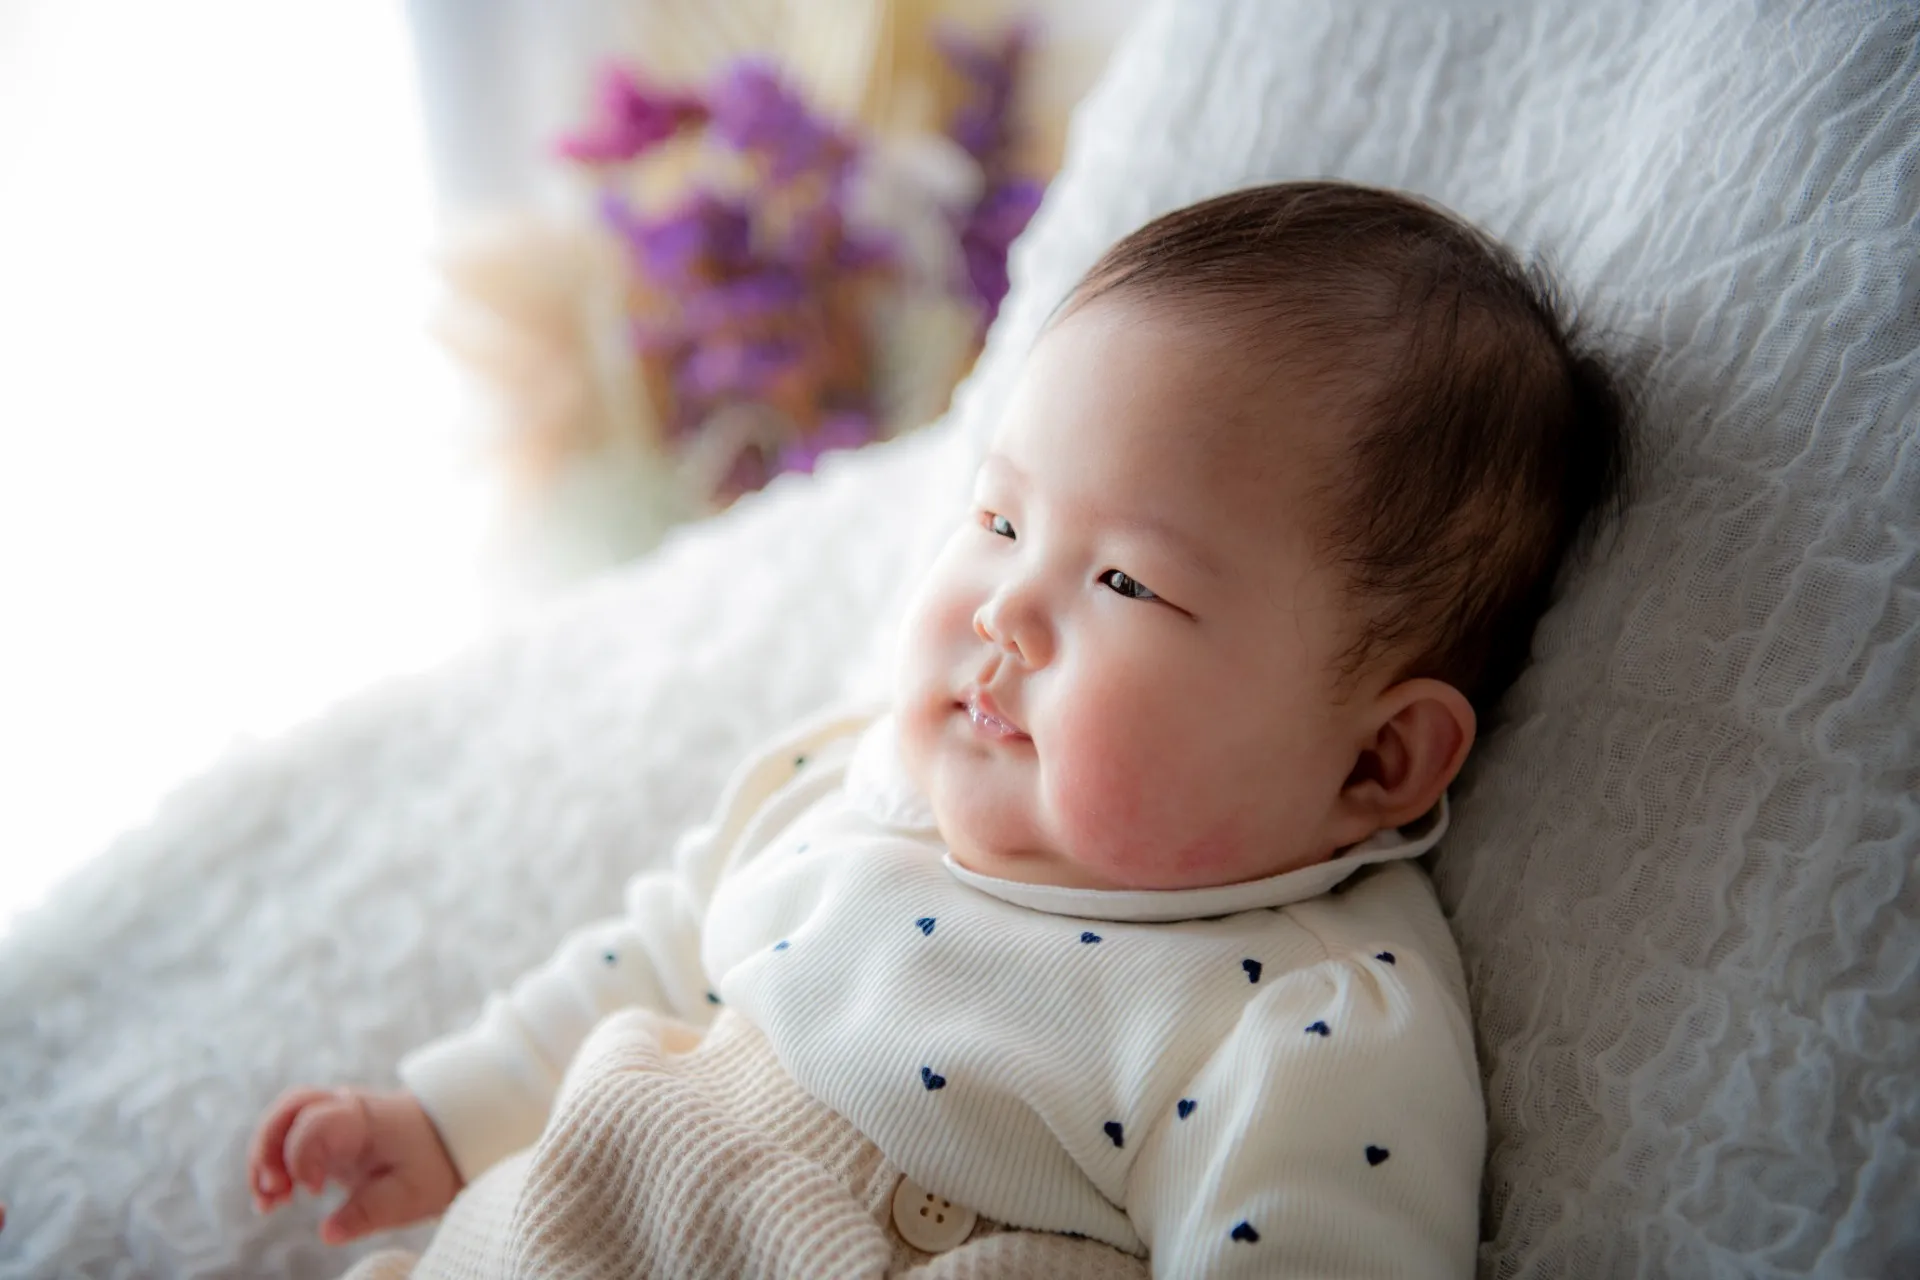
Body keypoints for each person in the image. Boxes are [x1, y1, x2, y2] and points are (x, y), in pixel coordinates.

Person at [248, 181, 1629, 1278]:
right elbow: (664, 945)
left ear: (1376, 760)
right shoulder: (872, 773)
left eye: (1126, 583)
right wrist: (444, 1119)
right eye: (1001, 520)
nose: (1005, 612)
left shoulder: (1302, 1018)